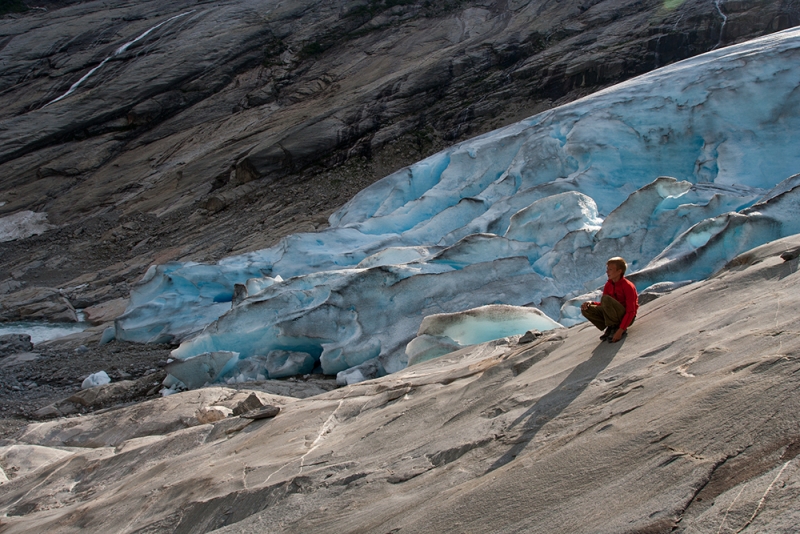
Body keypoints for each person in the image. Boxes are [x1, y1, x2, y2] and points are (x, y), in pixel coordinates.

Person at [580, 257, 638, 343]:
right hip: (613, 315)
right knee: (587, 309)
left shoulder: (628, 286)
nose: (607, 272)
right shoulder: (608, 284)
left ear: (619, 271)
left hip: (626, 317)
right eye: (607, 269)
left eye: (610, 269)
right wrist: (591, 303)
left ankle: (615, 328)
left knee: (606, 298)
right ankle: (611, 327)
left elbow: (631, 311)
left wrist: (620, 330)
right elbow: (606, 305)